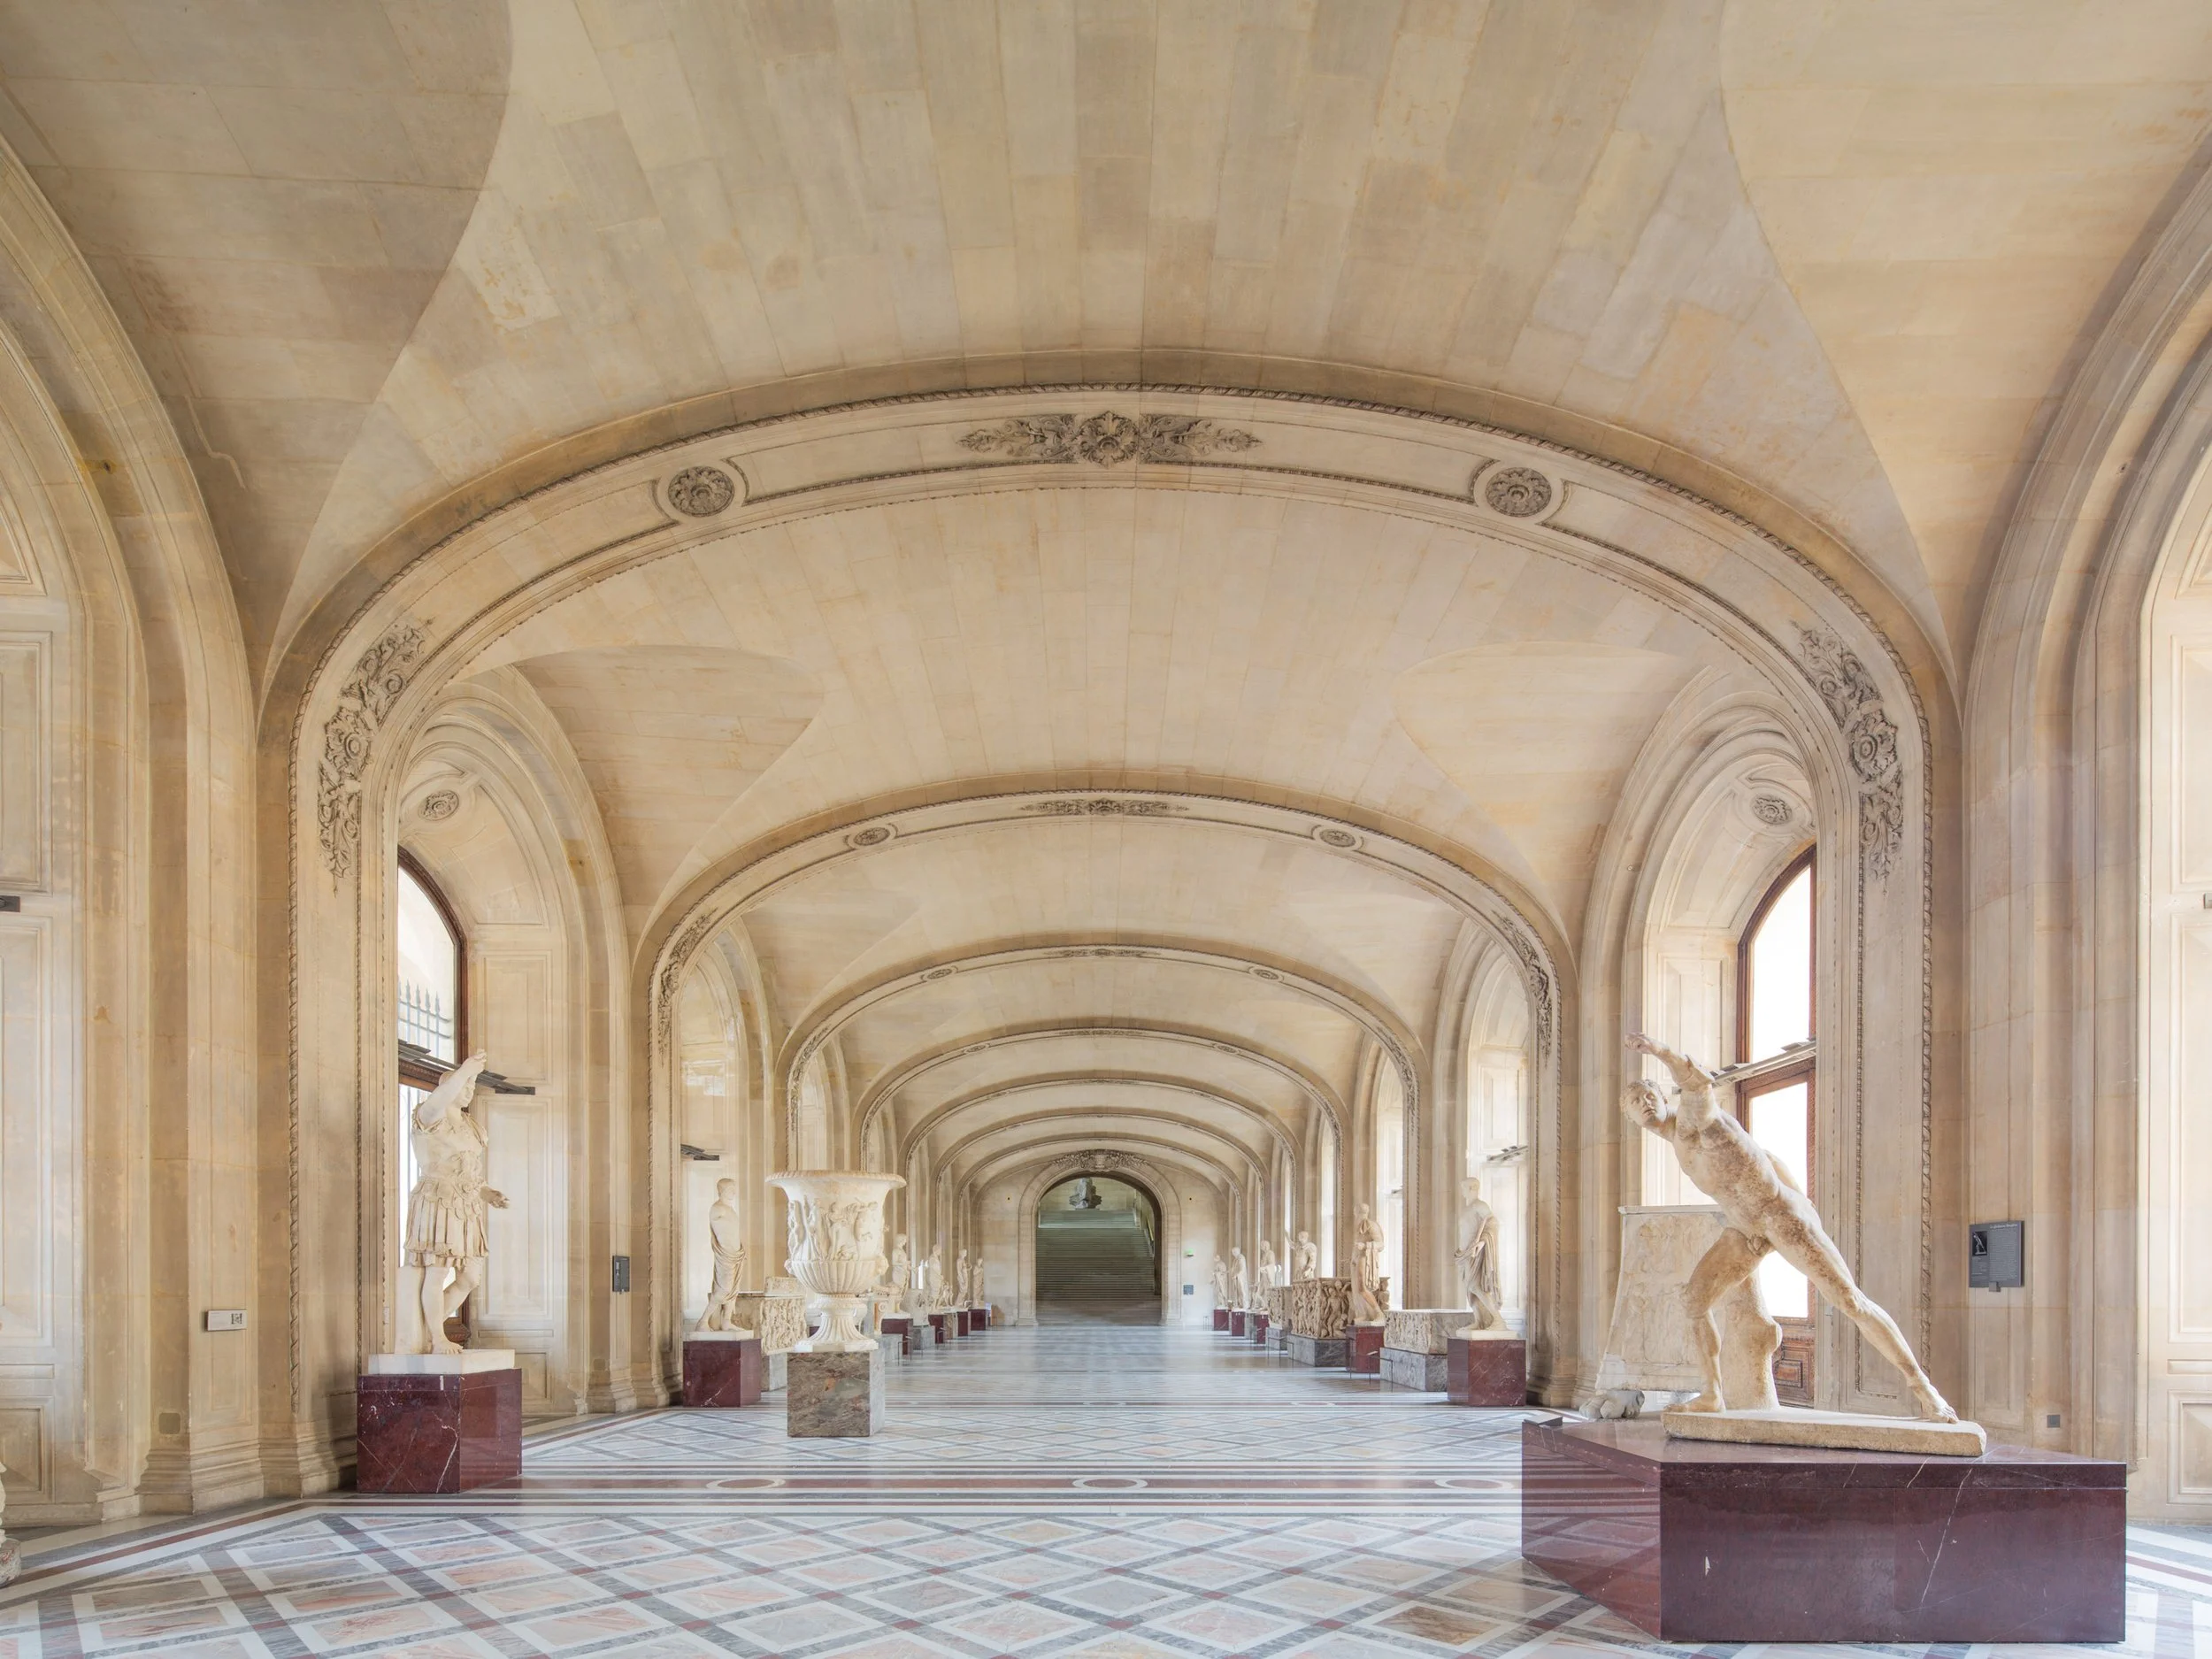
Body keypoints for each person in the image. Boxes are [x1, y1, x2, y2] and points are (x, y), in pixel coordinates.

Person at [1625, 1032, 1958, 1420]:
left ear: (1663, 1097)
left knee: (1850, 1300)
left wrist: (1657, 1050)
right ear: (1631, 1119)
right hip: (1745, 1229)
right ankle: (1713, 1394)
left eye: (1649, 1095)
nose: (1645, 1103)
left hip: (1780, 1215)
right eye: (1635, 1102)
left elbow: (1697, 1082)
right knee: (1694, 1301)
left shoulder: (1693, 1120)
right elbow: (1765, 1157)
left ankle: (1925, 1391)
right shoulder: (1679, 1149)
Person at [396, 1054, 508, 1355]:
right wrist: (466, 1069)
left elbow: (470, 1172)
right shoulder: (429, 1116)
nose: (469, 1090)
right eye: (464, 1084)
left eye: (472, 1085)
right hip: (438, 1200)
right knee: (436, 1271)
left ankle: (426, 1330)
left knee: (470, 1277)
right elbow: (441, 1097)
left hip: (467, 1207)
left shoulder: (471, 1127)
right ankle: (437, 1337)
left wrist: (488, 1193)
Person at [698, 1178, 749, 1333]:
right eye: (730, 1189)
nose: (734, 1192)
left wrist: (740, 1250)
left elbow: (733, 1233)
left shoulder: (730, 1210)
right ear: (721, 1191)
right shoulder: (718, 1208)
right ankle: (703, 1321)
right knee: (723, 1289)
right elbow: (722, 1234)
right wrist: (730, 1251)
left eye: (734, 1189)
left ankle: (726, 1321)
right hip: (726, 1256)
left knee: (734, 1290)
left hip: (736, 1255)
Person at [1455, 1176, 1502, 1333]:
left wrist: (1481, 1242)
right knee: (1470, 1289)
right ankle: (1479, 1321)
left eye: (1464, 1187)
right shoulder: (1468, 1208)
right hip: (1465, 1254)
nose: (1462, 1191)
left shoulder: (1479, 1205)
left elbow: (1493, 1222)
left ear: (1472, 1188)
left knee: (1475, 1286)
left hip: (1475, 1252)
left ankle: (1498, 1320)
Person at [1349, 1202, 1386, 1324]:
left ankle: (1378, 1313)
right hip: (1357, 1258)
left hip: (1364, 1258)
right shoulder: (1359, 1225)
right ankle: (1365, 1314)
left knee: (1362, 1288)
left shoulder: (1370, 1224)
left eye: (1357, 1212)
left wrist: (1365, 1246)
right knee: (1357, 1289)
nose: (1356, 1215)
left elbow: (1380, 1244)